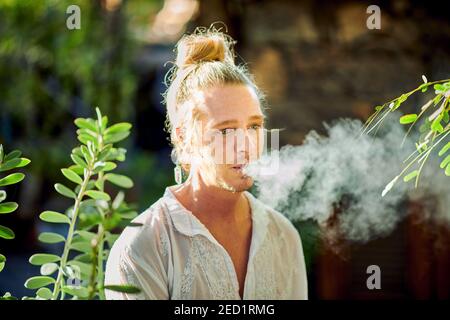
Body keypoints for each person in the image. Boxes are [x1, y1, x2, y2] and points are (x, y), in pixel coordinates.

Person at [104, 25, 308, 300]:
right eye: (225, 130)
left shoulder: (283, 236)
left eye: (254, 126)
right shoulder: (143, 247)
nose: (245, 144)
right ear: (185, 139)